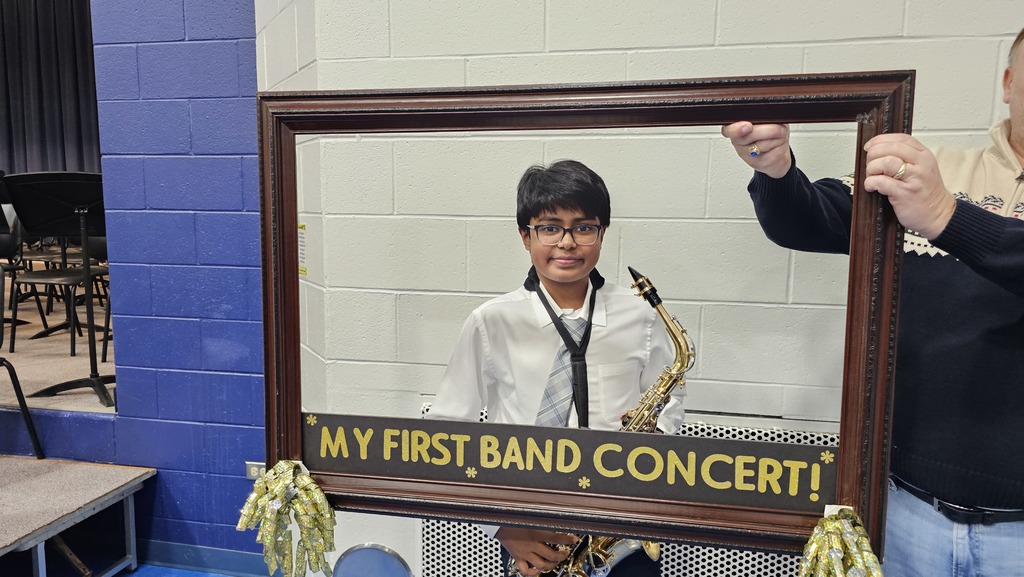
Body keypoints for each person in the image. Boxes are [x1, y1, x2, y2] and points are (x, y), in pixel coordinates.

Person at [721, 26, 1024, 577]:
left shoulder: (935, 195)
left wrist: (948, 219)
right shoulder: (940, 172)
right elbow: (809, 219)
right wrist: (777, 169)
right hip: (906, 508)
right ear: (1008, 81)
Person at [426, 159, 685, 577]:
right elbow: (447, 433)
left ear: (602, 234)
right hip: (530, 536)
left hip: (623, 535)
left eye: (584, 227)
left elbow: (668, 408)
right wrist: (502, 525)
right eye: (549, 227)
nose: (567, 242)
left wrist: (650, 455)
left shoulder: (641, 316)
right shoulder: (491, 320)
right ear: (525, 236)